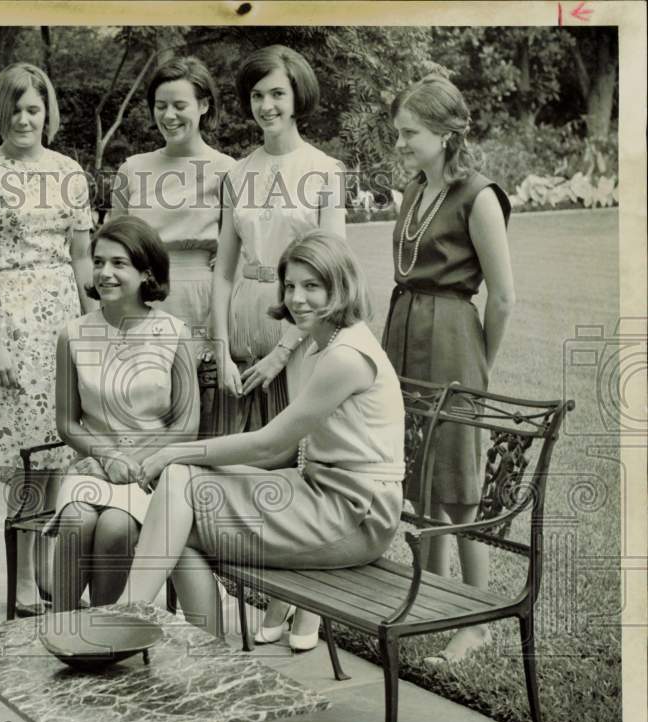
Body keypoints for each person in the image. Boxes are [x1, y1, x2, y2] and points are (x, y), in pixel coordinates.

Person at [117, 230, 404, 639]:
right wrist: (187, 461)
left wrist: (172, 453)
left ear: (340, 287)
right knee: (178, 515)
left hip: (357, 513)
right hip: (319, 493)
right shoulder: (321, 344)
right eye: (289, 286)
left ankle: (126, 621)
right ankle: (197, 651)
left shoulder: (346, 357)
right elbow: (276, 454)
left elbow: (270, 443)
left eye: (312, 286)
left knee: (177, 496)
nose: (297, 298)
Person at [211, 44, 348, 645]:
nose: (266, 105)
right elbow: (222, 267)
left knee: (303, 462)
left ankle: (310, 603)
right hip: (245, 318)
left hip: (306, 322)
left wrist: (284, 350)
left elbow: (330, 273)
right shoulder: (237, 174)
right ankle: (271, 595)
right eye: (257, 94)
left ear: (297, 98)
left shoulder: (324, 170)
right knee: (255, 466)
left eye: (277, 94)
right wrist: (220, 343)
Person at [382, 75, 514, 666]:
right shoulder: (415, 188)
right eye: (399, 132)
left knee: (459, 485)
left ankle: (476, 619)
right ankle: (428, 602)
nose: (400, 143)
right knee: (418, 478)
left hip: (454, 340)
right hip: (405, 333)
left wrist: (477, 363)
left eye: (409, 133)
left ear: (444, 132)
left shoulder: (479, 196)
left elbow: (504, 297)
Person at [0, 63, 95, 617]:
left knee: (59, 453)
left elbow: (84, 257)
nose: (24, 119)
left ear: (47, 112)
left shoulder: (69, 173)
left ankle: (40, 576)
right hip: (12, 322)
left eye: (33, 108)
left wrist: (95, 332)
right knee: (26, 460)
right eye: (14, 108)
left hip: (62, 318)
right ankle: (19, 584)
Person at [46, 216, 199, 610]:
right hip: (94, 465)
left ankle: (105, 637)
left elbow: (187, 424)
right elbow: (66, 422)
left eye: (118, 263)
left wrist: (134, 460)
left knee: (115, 527)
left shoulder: (174, 333)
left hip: (153, 471)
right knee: (78, 521)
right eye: (98, 262)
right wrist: (106, 455)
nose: (104, 273)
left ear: (146, 272)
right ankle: (62, 628)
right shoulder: (74, 335)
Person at [110, 56, 235, 351]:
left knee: (198, 392)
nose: (168, 116)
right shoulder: (131, 169)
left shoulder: (227, 169)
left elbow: (239, 248)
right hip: (139, 296)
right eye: (161, 105)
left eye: (180, 106)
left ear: (204, 105)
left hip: (201, 300)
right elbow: (110, 248)